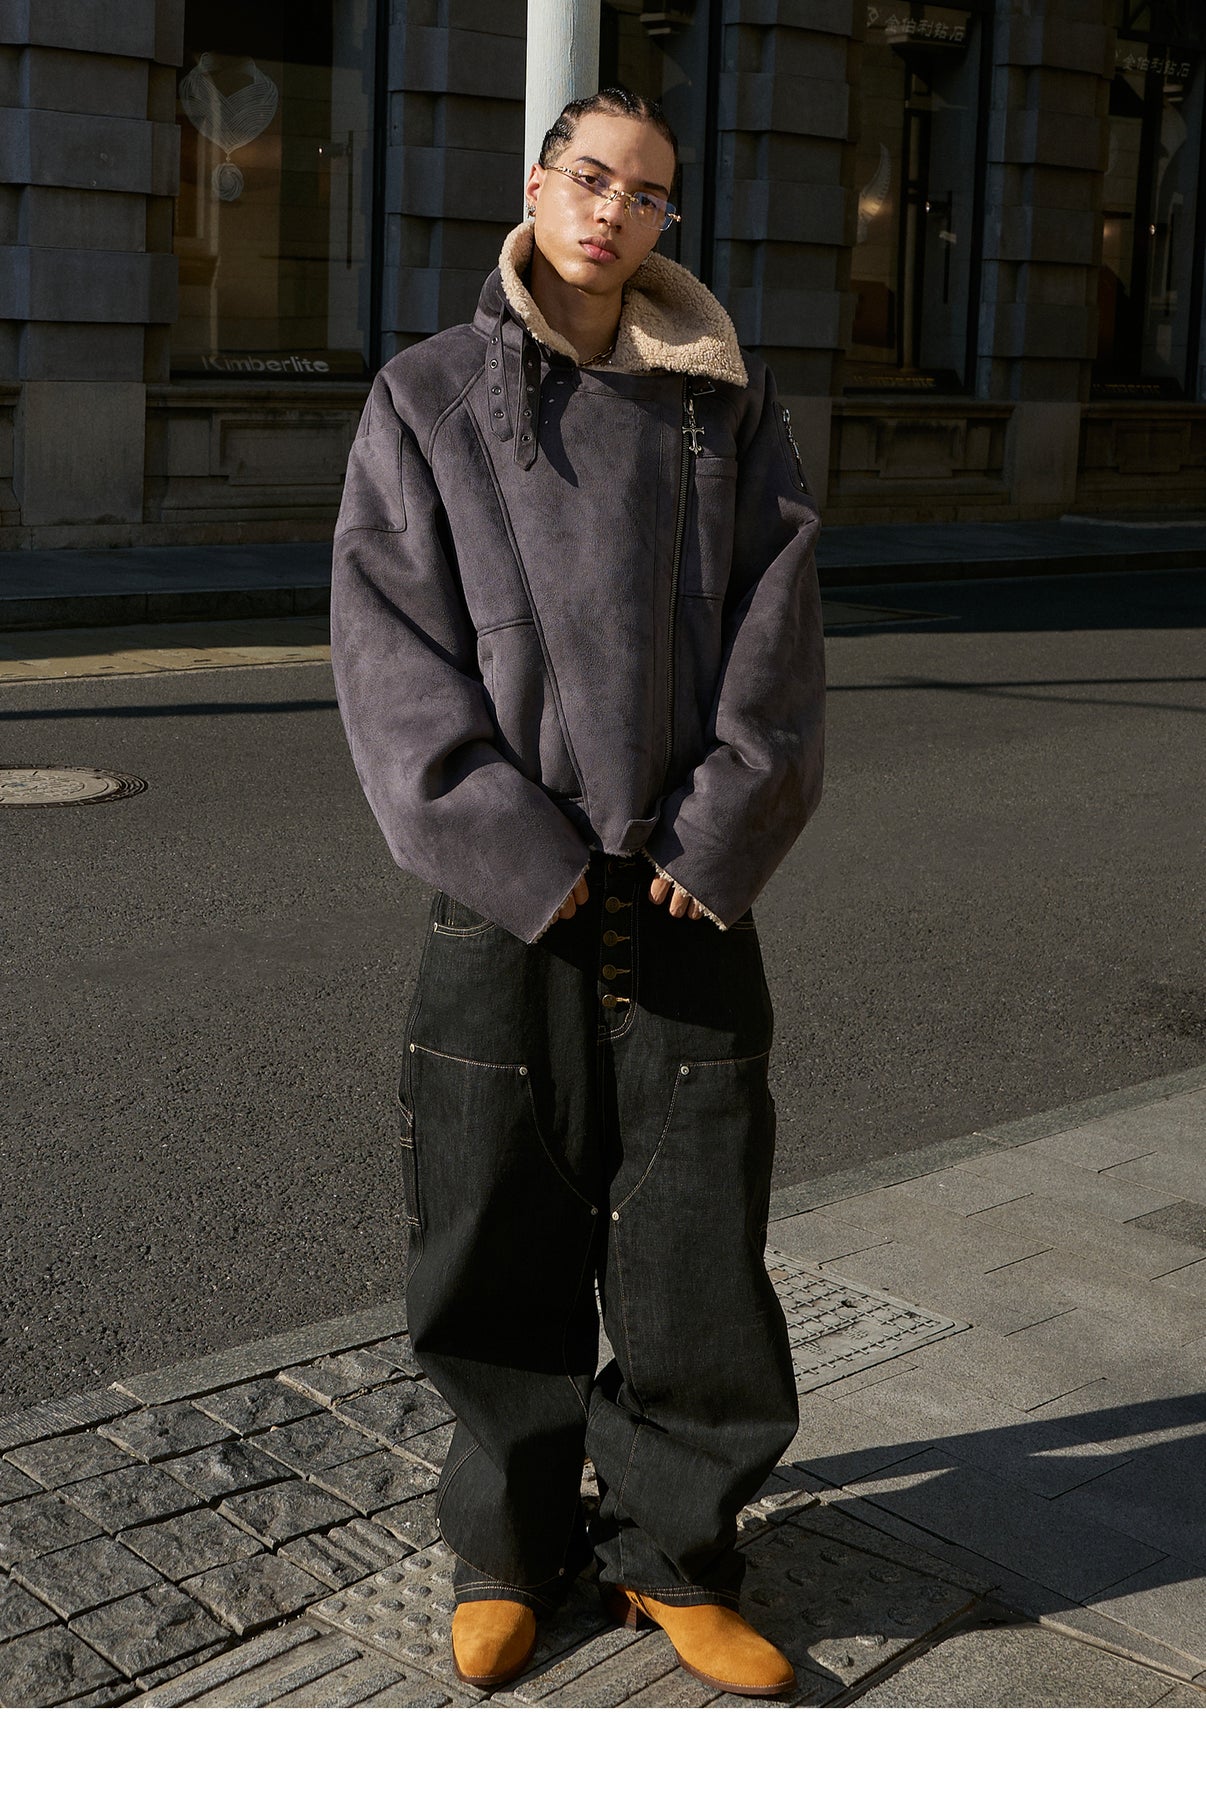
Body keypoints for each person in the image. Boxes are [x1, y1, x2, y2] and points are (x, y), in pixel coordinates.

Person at [330, 86, 825, 1699]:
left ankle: (676, 1552)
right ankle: (508, 1547)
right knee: (491, 1224)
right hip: (511, 894)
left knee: (695, 1239)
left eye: (648, 192)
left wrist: (718, 832)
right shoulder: (427, 396)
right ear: (538, 187)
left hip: (681, 886)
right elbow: (388, 660)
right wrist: (518, 857)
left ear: (666, 220)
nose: (615, 210)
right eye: (591, 177)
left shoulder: (720, 401)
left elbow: (778, 632)